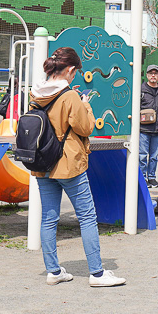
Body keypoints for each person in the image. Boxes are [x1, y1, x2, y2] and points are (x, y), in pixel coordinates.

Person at [30, 46, 125, 288]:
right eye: (75, 72)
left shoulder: (36, 94)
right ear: (70, 70)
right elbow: (86, 128)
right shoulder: (70, 96)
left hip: (43, 164)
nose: (75, 77)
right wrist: (85, 105)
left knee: (49, 218)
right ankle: (97, 273)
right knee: (87, 216)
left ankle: (53, 270)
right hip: (69, 163)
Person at [139, 64, 158, 188]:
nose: (153, 75)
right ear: (147, 75)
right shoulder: (141, 90)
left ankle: (152, 177)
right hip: (143, 129)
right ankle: (142, 178)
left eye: (156, 73)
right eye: (151, 73)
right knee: (142, 155)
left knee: (154, 157)